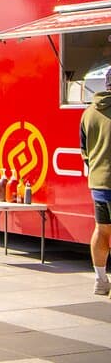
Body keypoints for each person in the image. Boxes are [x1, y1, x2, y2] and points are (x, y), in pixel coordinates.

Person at [80, 68, 111, 297]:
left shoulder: (89, 112)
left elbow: (85, 152)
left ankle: (100, 281)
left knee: (101, 231)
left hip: (98, 184)